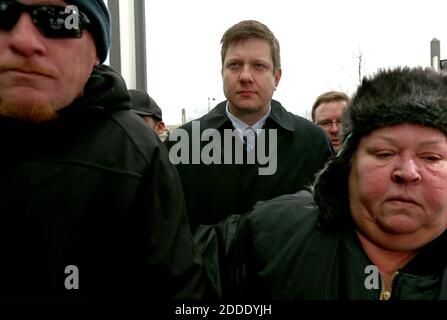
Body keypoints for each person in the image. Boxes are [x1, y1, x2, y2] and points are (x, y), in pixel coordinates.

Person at [0, 0, 204, 299]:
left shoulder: (134, 153)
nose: (25, 41)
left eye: (62, 19)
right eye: (4, 12)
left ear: (97, 51)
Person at [197, 67, 447, 299]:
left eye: (431, 157)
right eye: (384, 153)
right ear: (349, 164)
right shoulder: (272, 233)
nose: (407, 171)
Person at [164, 20, 333, 232]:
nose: (245, 76)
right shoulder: (182, 144)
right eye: (234, 65)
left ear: (277, 77)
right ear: (222, 72)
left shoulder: (312, 144)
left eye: (258, 66)